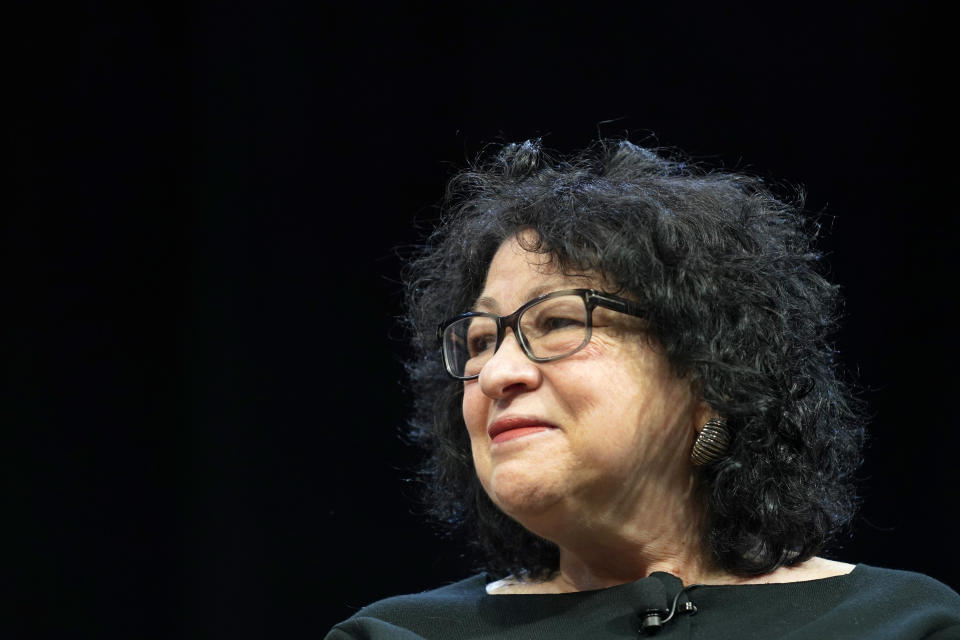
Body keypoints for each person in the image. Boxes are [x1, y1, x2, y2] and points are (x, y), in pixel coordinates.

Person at [326, 139, 960, 638]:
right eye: (482, 340)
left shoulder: (906, 625)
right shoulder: (395, 635)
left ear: (712, 373)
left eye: (559, 322)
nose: (496, 374)